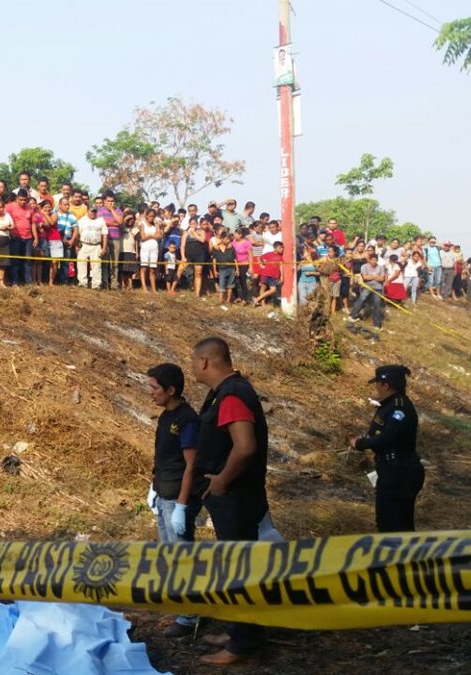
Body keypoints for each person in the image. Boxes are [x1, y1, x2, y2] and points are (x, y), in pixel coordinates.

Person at [189, 337, 268, 666]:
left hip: (235, 497)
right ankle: (241, 630)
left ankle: (241, 644)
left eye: (193, 361)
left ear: (205, 361)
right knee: (238, 564)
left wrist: (222, 479)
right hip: (232, 498)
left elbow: (245, 447)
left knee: (239, 568)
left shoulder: (233, 393)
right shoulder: (226, 391)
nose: (192, 367)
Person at [145, 363, 201, 638]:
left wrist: (181, 505)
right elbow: (164, 457)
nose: (151, 393)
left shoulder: (186, 421)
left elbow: (191, 465)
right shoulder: (165, 417)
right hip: (164, 495)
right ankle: (179, 604)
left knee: (182, 558)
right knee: (169, 556)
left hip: (178, 500)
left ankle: (190, 617)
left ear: (171, 389)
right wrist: (153, 487)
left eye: (155, 388)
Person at [349, 365, 424, 532]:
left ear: (385, 385)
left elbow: (387, 437)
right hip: (390, 470)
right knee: (389, 522)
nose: (376, 387)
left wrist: (360, 444)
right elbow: (377, 432)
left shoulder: (400, 408)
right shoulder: (389, 405)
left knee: (394, 525)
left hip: (400, 473)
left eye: (378, 384)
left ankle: (401, 556)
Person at [347, 252, 388, 329]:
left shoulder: (380, 267)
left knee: (377, 304)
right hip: (367, 286)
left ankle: (376, 324)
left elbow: (382, 278)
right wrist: (376, 277)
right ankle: (352, 316)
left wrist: (372, 277)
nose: (374, 262)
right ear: (369, 260)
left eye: (375, 260)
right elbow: (365, 277)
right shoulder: (364, 266)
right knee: (361, 300)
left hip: (378, 288)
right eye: (372, 260)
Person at [72, 205, 107, 289]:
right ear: (87, 211)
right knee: (81, 264)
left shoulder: (101, 220)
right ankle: (82, 283)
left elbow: (105, 234)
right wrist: (76, 246)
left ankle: (96, 284)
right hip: (84, 245)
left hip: (96, 245)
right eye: (91, 211)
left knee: (96, 265)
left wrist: (104, 248)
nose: (93, 213)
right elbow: (77, 233)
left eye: (95, 211)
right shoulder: (82, 220)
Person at [211, 237, 238, 305]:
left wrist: (237, 269)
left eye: (229, 239)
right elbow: (214, 260)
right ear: (222, 239)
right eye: (227, 239)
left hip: (231, 268)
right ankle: (220, 301)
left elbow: (235, 259)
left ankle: (228, 300)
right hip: (221, 269)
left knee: (230, 285)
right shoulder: (216, 248)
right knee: (221, 285)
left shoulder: (231, 248)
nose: (228, 241)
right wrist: (214, 270)